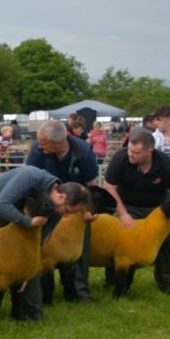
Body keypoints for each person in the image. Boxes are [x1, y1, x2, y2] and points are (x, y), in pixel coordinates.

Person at [0, 166, 90, 320]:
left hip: (15, 218)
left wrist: (27, 270)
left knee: (26, 258)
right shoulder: (31, 176)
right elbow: (1, 206)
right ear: (61, 197)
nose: (66, 216)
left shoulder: (55, 209)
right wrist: (29, 222)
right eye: (67, 210)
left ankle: (32, 312)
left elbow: (38, 243)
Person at [100, 128, 170, 296]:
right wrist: (123, 214)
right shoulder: (120, 158)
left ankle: (166, 282)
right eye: (130, 150)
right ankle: (113, 281)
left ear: (149, 151)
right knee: (117, 238)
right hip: (126, 204)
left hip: (157, 208)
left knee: (166, 240)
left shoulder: (165, 163)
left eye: (136, 152)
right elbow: (109, 188)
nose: (130, 154)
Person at [26, 119, 100, 303]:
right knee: (36, 245)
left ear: (58, 143)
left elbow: (91, 185)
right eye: (40, 143)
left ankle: (80, 292)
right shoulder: (37, 149)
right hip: (45, 203)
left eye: (44, 144)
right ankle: (32, 290)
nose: (40, 147)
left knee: (79, 248)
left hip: (75, 204)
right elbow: (29, 178)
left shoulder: (84, 151)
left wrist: (87, 211)